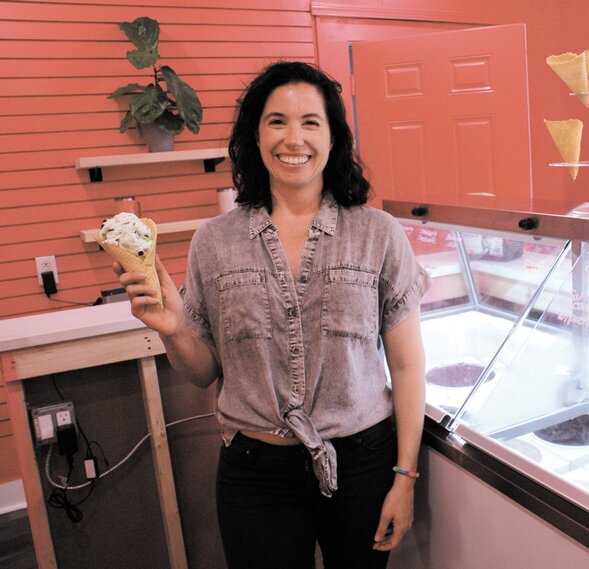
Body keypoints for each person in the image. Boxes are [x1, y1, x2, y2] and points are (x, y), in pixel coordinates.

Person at [116, 61, 431, 568]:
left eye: (311, 122)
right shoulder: (213, 242)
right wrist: (173, 330)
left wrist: (405, 478)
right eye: (276, 120)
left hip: (362, 463)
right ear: (255, 136)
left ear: (332, 138)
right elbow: (202, 373)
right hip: (254, 471)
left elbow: (409, 367)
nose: (294, 138)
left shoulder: (379, 234)